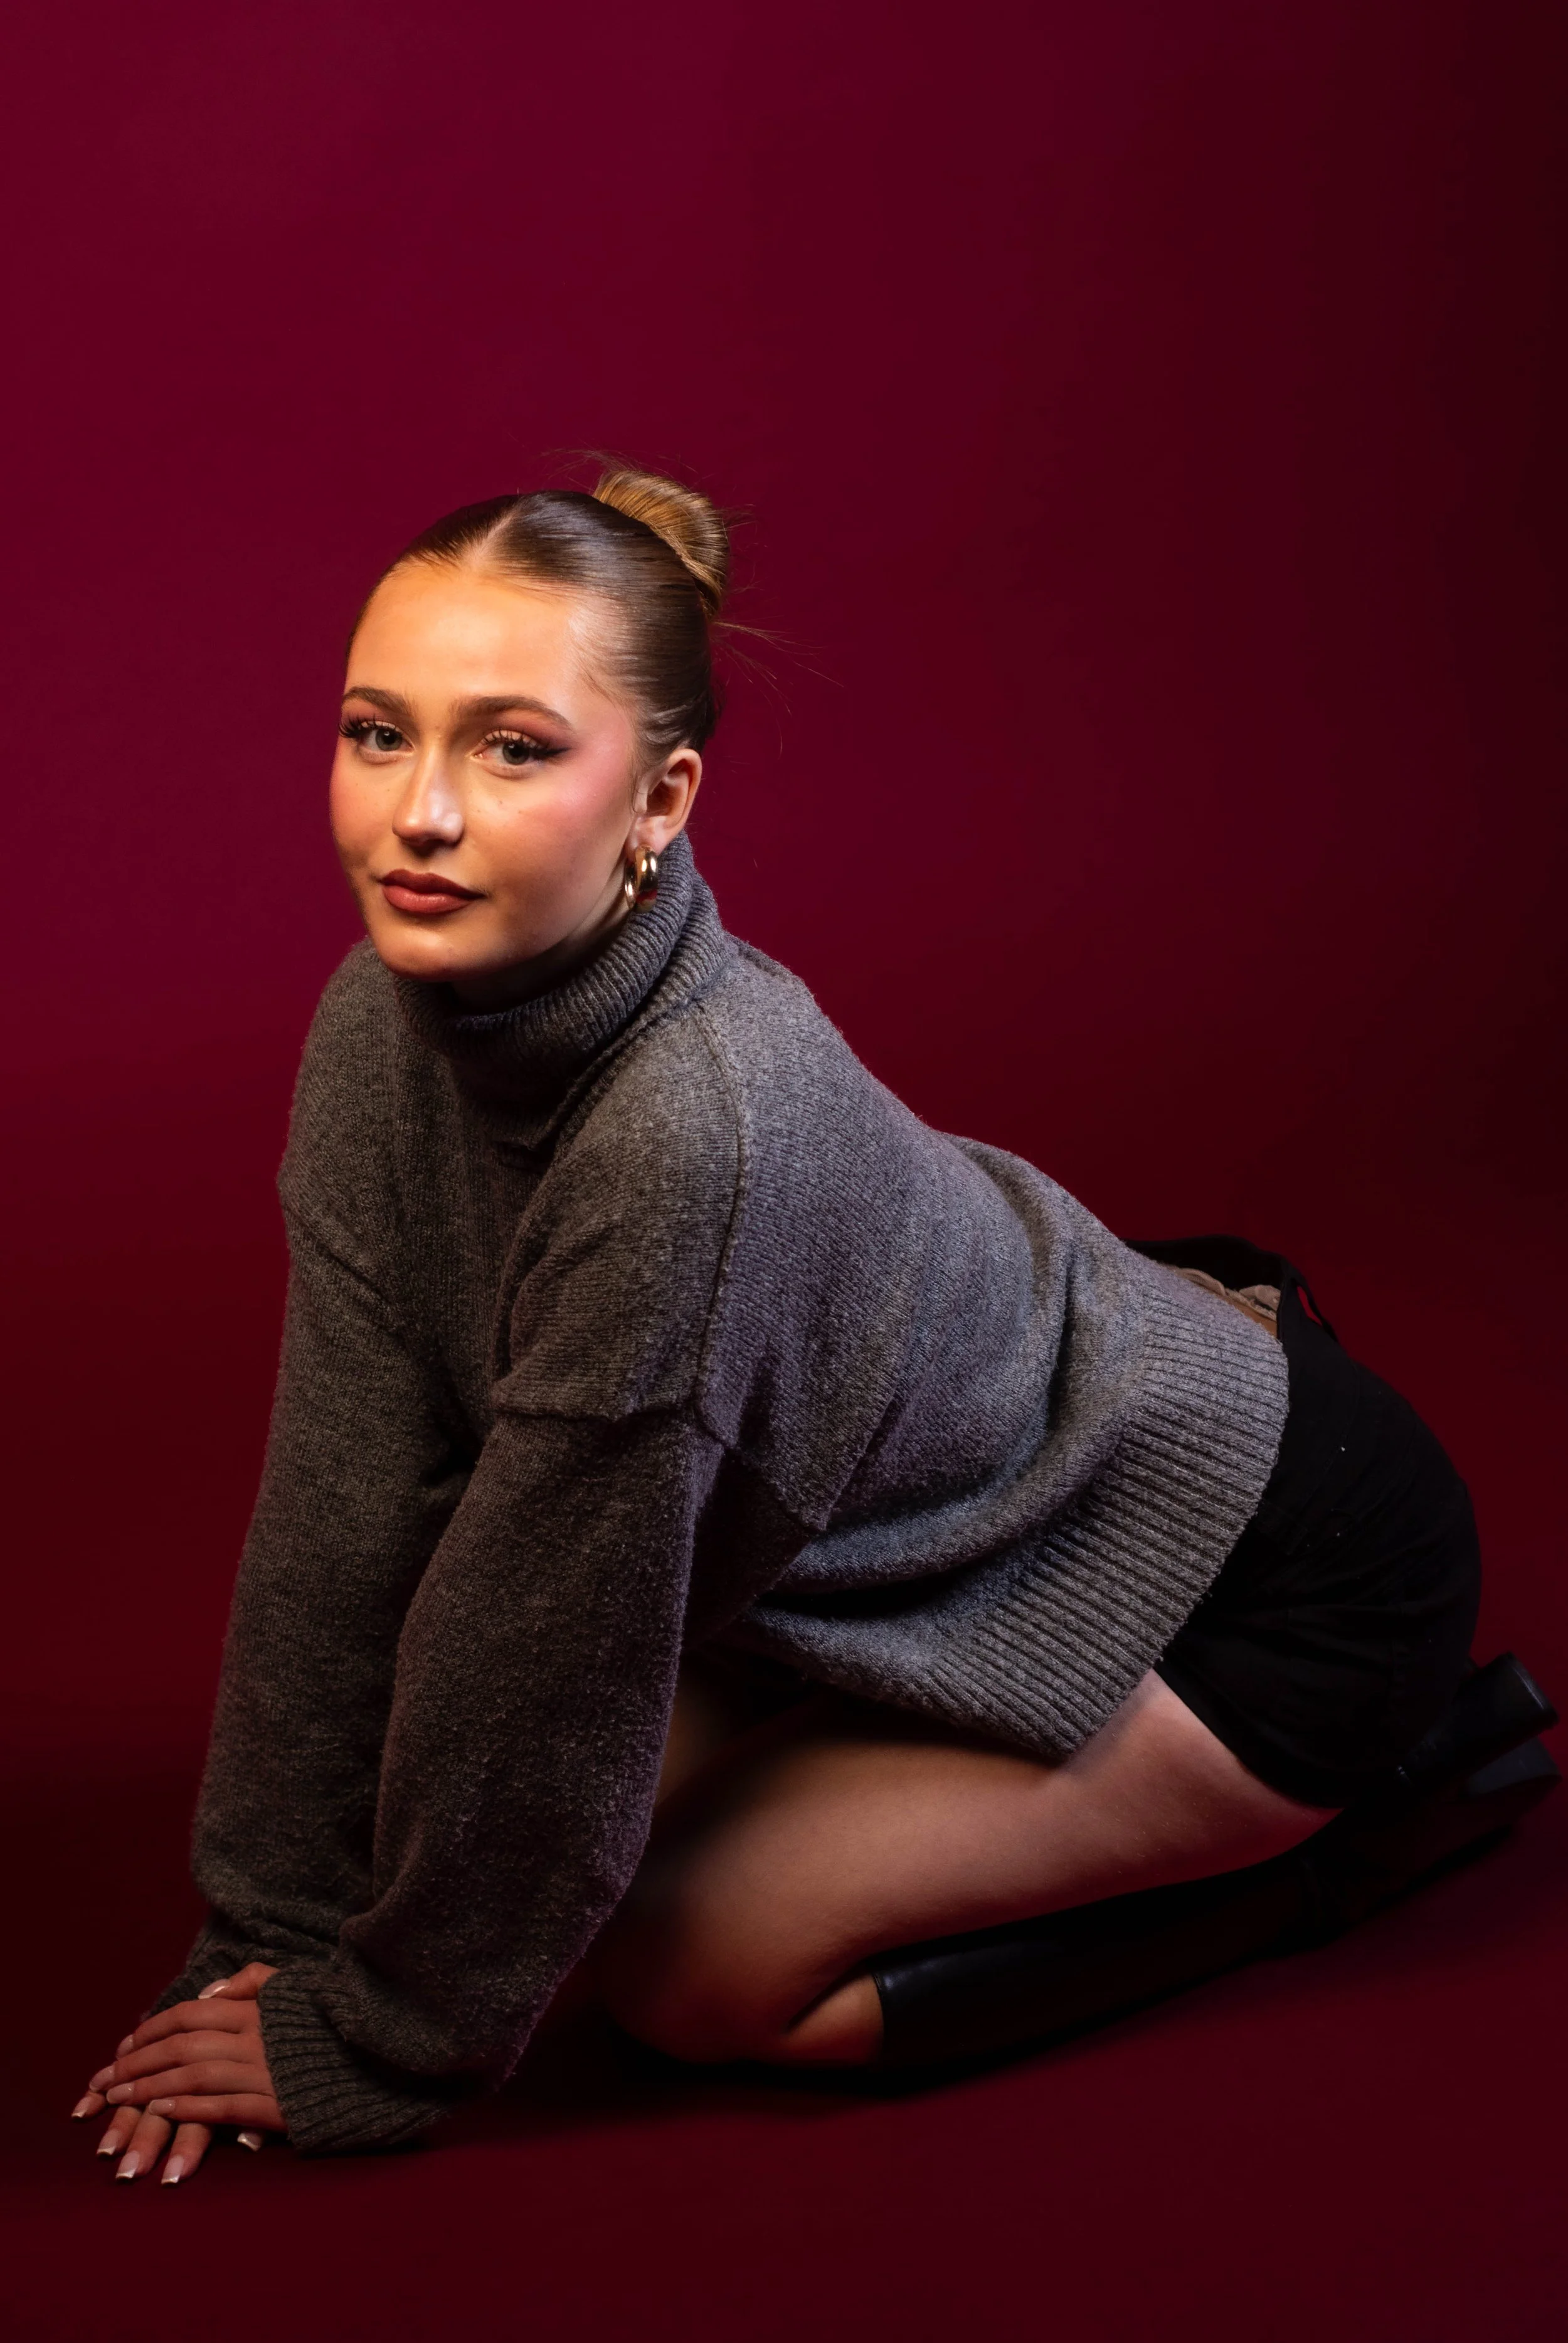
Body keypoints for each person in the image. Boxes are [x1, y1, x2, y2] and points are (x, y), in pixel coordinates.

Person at [73, 468, 1481, 2183]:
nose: (415, 814)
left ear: (661, 796)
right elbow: (345, 1500)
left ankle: (1332, 1841)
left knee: (674, 1970)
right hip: (956, 1507)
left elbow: (548, 1647)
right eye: (378, 733)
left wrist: (377, 2029)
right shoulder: (381, 1021)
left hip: (1275, 1574)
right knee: (452, 1823)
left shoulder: (689, 1132)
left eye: (512, 748)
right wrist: (266, 1924)